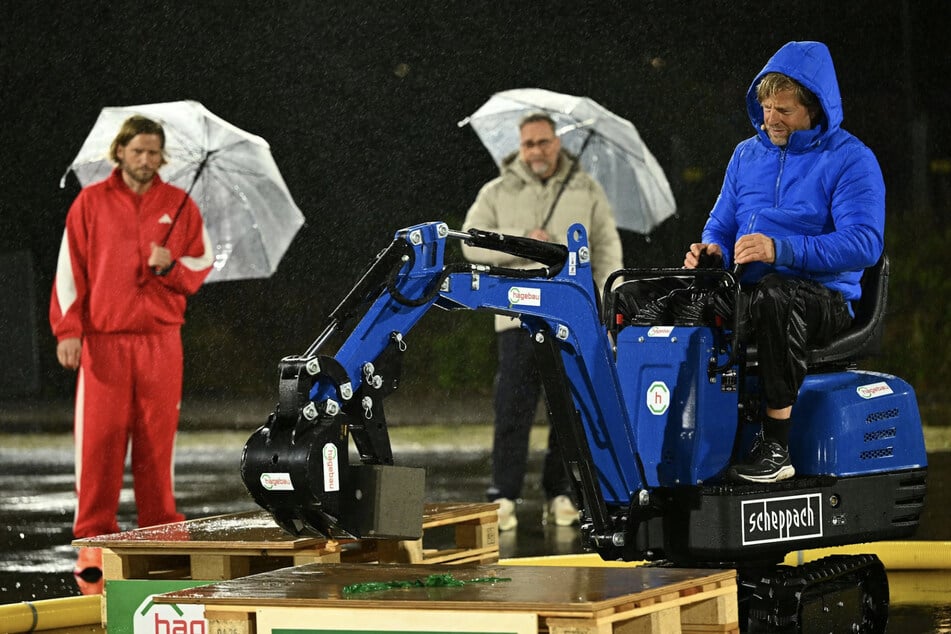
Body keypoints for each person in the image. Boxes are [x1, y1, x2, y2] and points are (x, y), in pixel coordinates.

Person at [684, 41, 885, 483]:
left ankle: (776, 448)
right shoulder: (745, 155)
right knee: (657, 300)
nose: (771, 119)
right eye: (766, 107)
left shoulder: (851, 159)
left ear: (815, 109)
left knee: (777, 296)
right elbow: (720, 226)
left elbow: (865, 243)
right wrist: (711, 251)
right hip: (749, 291)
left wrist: (781, 250)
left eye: (784, 110)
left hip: (823, 299)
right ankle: (676, 436)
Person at [50, 115, 214, 593]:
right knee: (99, 443)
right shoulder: (90, 203)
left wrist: (171, 265)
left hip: (161, 340)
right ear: (119, 151)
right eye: (137, 150)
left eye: (153, 152)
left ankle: (160, 532)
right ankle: (93, 539)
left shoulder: (179, 204)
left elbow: (202, 263)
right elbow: (70, 272)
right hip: (104, 341)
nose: (145, 159)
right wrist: (68, 330)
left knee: (155, 441)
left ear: (162, 157)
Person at [462, 112, 623, 530]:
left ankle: (562, 493)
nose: (536, 150)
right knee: (512, 410)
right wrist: (522, 239)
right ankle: (503, 495)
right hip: (516, 318)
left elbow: (607, 252)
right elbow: (470, 244)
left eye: (543, 142)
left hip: (570, 321)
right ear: (520, 147)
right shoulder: (496, 191)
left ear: (557, 143)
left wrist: (606, 309)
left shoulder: (587, 190)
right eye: (528, 143)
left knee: (569, 412)